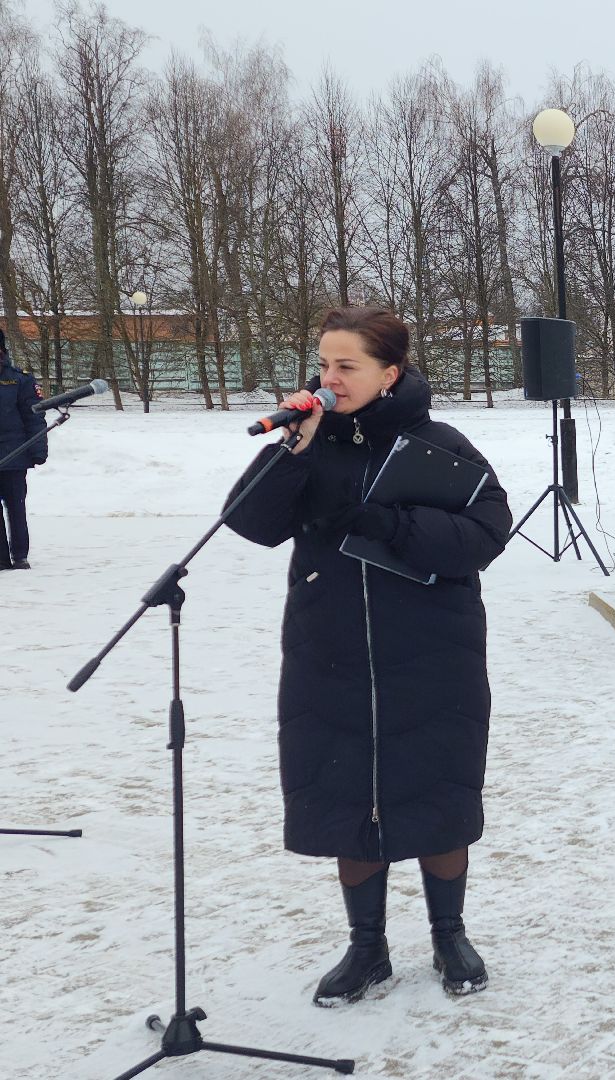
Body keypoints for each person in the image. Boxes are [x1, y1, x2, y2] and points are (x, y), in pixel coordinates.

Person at [222, 306, 513, 1005]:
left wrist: (390, 524)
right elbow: (249, 522)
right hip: (332, 653)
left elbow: (486, 531)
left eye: (346, 365)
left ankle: (449, 934)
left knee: (436, 788)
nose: (330, 378)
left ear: (390, 372)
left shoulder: (441, 444)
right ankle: (366, 948)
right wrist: (294, 450)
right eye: (323, 364)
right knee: (349, 792)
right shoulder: (309, 443)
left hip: (432, 651)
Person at [0, 331, 48, 570]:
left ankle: (20, 555)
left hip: (14, 455)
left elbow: (34, 417)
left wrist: (38, 449)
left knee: (16, 506)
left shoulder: (20, 380)